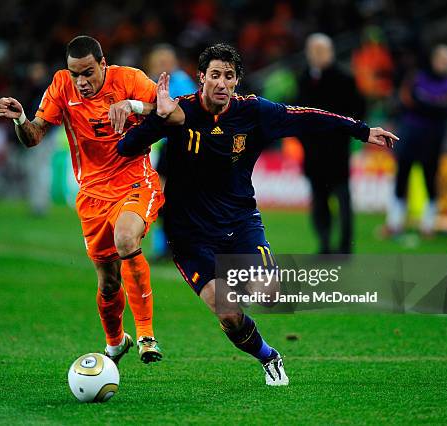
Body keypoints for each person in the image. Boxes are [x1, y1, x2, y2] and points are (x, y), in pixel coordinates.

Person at [118, 44, 398, 385]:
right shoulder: (180, 112)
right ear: (202, 78)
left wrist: (362, 130)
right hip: (189, 234)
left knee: (267, 293)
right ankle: (269, 356)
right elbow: (127, 147)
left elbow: (308, 117)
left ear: (237, 81)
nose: (222, 83)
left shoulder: (254, 112)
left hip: (239, 223)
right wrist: (157, 119)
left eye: (229, 77)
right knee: (230, 315)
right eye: (216, 76)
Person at [0, 36, 178, 364]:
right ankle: (114, 343)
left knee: (126, 238)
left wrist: (135, 106)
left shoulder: (130, 79)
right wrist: (20, 119)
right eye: (75, 73)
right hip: (93, 195)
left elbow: (173, 113)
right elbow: (34, 136)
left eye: (88, 73)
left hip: (135, 182)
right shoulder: (61, 86)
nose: (81, 81)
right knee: (108, 283)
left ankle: (146, 335)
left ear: (103, 64)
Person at [297, 33, 366, 253]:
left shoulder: (345, 78)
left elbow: (358, 109)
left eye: (321, 51)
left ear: (331, 52)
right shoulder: (303, 78)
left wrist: (346, 132)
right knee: (319, 201)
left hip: (336, 149)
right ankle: (324, 244)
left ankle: (345, 246)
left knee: (343, 198)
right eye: (313, 51)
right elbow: (297, 112)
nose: (316, 55)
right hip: (313, 151)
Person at [384, 44, 447, 237]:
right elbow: (411, 102)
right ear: (434, 60)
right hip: (411, 133)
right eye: (443, 60)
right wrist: (437, 106)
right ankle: (394, 222)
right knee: (402, 176)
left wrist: (429, 105)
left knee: (430, 178)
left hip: (433, 136)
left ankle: (428, 224)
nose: (446, 64)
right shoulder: (417, 78)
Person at [146, 44, 198, 260]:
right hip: (168, 147)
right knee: (161, 197)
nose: (163, 65)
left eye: (166, 61)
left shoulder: (181, 82)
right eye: (159, 61)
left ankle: (182, 246)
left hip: (184, 145)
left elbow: (182, 113)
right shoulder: (149, 82)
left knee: (179, 199)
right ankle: (164, 247)